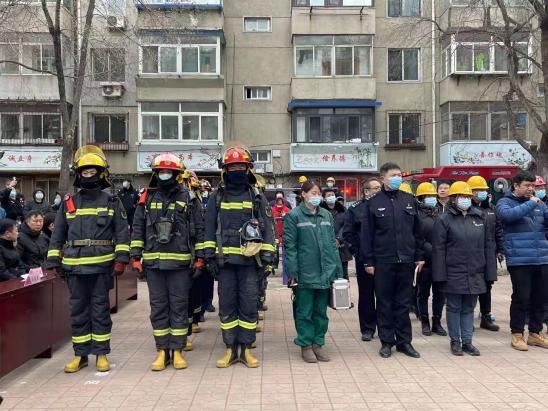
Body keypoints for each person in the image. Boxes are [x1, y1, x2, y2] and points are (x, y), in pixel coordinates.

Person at [46, 145, 130, 373]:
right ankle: (80, 355)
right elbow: (58, 235)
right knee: (78, 312)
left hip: (101, 266)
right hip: (74, 268)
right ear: (78, 174)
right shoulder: (69, 203)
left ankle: (101, 354)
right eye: (84, 172)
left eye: (93, 171)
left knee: (100, 311)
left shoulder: (112, 201)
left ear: (102, 173)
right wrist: (54, 261)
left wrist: (122, 259)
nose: (88, 175)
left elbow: (122, 232)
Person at [130, 154, 204, 371]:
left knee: (179, 308)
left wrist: (200, 258)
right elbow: (138, 228)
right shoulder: (147, 198)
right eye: (161, 172)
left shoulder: (189, 198)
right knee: (158, 308)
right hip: (153, 264)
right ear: (155, 174)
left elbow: (199, 230)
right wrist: (135, 256)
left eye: (169, 172)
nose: (165, 176)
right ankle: (162, 351)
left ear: (177, 174)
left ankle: (178, 351)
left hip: (181, 265)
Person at [204, 147, 275, 368]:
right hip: (225, 264)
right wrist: (209, 257)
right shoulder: (217, 197)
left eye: (240, 167)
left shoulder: (256, 196)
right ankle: (229, 349)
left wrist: (268, 258)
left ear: (248, 169)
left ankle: (245, 349)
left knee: (248, 306)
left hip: (250, 264)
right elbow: (209, 229)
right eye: (232, 167)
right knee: (227, 306)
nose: (237, 170)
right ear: (225, 170)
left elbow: (268, 229)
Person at [360, 162, 424, 359]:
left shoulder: (408, 200)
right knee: (385, 303)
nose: (398, 178)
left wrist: (419, 256)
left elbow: (417, 232)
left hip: (406, 260)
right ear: (383, 179)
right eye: (393, 175)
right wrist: (368, 262)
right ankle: (387, 341)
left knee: (404, 303)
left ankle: (405, 342)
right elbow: (367, 235)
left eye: (399, 175)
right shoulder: (373, 202)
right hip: (382, 261)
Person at [432, 181, 496, 356]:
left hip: (476, 271)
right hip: (453, 272)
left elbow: (488, 246)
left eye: (467, 196)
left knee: (469, 308)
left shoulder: (480, 218)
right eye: (461, 196)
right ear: (453, 199)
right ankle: (455, 341)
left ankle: (467, 342)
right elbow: (438, 249)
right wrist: (440, 275)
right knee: (453, 307)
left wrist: (490, 273)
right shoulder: (444, 220)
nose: (465, 199)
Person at [283, 181, 343, 363]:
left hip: (325, 271)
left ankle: (318, 343)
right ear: (303, 194)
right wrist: (292, 272)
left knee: (320, 312)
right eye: (313, 192)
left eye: (319, 193)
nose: (317, 196)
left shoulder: (325, 215)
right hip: (304, 273)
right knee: (304, 311)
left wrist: (337, 269)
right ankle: (305, 345)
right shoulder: (294, 216)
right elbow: (290, 247)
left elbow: (332, 245)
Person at [496, 170, 548, 351]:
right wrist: (531, 204)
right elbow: (508, 217)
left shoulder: (540, 204)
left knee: (540, 298)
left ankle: (535, 333)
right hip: (520, 259)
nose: (531, 189)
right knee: (521, 298)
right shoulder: (505, 202)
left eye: (533, 186)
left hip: (541, 257)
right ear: (516, 186)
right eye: (527, 185)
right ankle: (517, 334)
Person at [343, 177, 381, 342]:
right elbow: (348, 233)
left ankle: (385, 326)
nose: (379, 191)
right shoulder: (355, 209)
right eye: (376, 188)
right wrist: (358, 253)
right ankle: (367, 328)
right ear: (366, 191)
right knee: (366, 295)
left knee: (384, 295)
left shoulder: (384, 205)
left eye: (380, 188)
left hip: (383, 258)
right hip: (364, 259)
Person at [467, 175, 504, 332]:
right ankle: (467, 317)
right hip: (472, 254)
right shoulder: (466, 210)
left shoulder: (491, 209)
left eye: (483, 190)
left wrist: (501, 249)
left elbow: (498, 231)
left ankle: (486, 316)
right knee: (471, 285)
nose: (481, 193)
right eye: (477, 190)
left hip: (489, 253)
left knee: (487, 286)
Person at [415, 182, 447, 337]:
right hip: (424, 261)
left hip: (440, 261)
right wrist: (426, 252)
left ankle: (437, 321)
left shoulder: (440, 214)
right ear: (421, 198)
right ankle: (425, 321)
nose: (431, 199)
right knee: (423, 293)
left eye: (433, 196)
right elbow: (417, 239)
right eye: (428, 196)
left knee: (440, 293)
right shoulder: (417, 216)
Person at [321, 188, 352, 279]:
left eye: (332, 195)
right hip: (326, 246)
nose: (331, 197)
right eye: (328, 195)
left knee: (343, 275)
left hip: (341, 247)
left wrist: (339, 239)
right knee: (328, 275)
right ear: (324, 198)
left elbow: (347, 225)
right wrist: (330, 240)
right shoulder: (320, 211)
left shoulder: (343, 210)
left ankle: (343, 292)